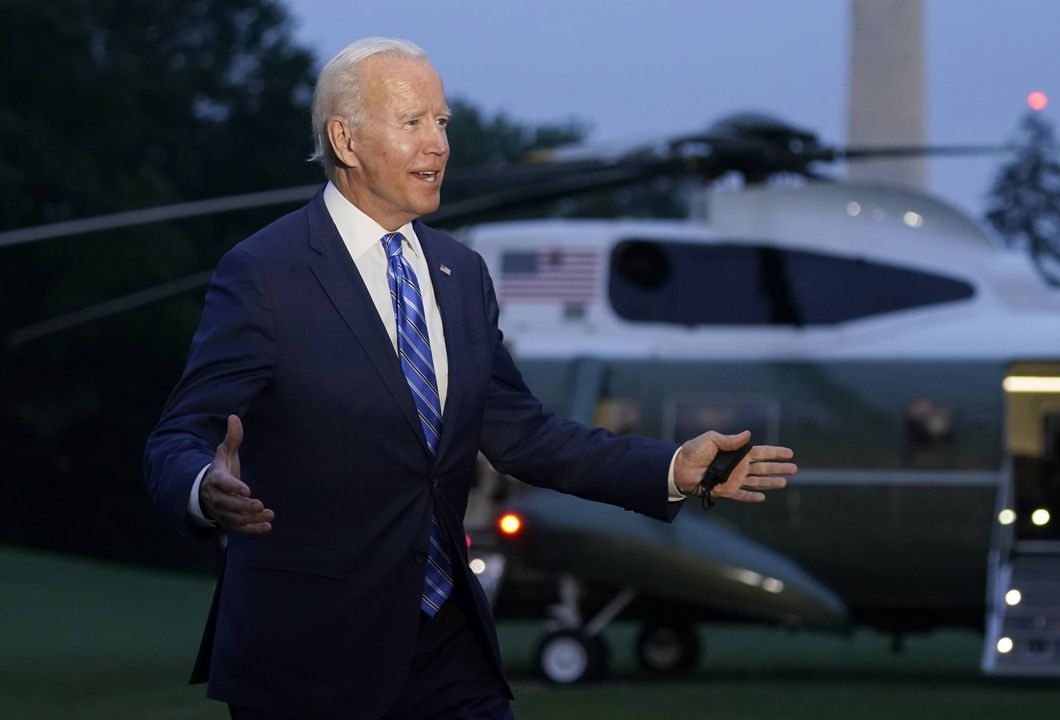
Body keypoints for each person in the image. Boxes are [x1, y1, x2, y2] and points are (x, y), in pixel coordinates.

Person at [144, 37, 794, 720]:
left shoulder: (462, 275)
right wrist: (202, 488)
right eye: (413, 122)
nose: (439, 145)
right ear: (345, 139)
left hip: (447, 645)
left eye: (443, 123)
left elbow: (523, 434)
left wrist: (669, 467)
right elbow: (179, 436)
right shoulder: (266, 273)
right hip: (308, 652)